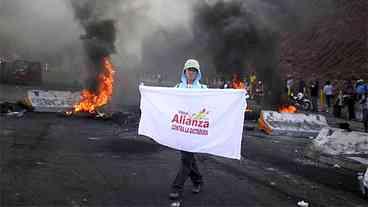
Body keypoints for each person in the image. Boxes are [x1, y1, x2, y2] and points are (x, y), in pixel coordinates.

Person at [170, 59, 206, 204]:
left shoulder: (203, 89)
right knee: (189, 158)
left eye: (194, 70)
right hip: (181, 128)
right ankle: (198, 181)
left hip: (195, 129)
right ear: (184, 71)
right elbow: (167, 101)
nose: (191, 72)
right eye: (189, 69)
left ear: (198, 73)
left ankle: (176, 188)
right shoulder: (178, 87)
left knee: (186, 159)